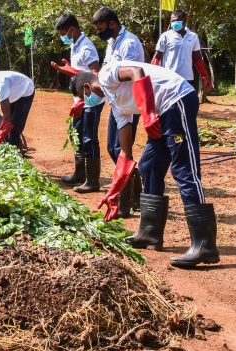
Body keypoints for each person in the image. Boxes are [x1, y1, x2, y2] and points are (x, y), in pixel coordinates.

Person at [69, 62, 220, 267]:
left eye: (84, 96)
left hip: (178, 99)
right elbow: (125, 154)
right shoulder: (118, 107)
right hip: (164, 111)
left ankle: (205, 243)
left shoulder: (105, 75)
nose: (88, 101)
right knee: (148, 164)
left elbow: (136, 72)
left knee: (184, 169)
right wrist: (114, 192)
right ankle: (150, 232)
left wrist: (148, 114)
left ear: (86, 87)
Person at [92, 6, 146, 216]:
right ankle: (133, 188)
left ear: (112, 24)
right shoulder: (112, 42)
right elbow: (105, 67)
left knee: (121, 148)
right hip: (117, 102)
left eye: (100, 28)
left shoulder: (129, 43)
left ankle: (129, 198)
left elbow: (131, 73)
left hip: (130, 102)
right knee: (112, 148)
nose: (99, 32)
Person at [51, 13, 104, 194]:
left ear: (71, 29)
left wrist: (83, 101)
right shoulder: (75, 45)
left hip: (91, 99)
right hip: (80, 98)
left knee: (89, 137)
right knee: (77, 134)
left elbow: (95, 75)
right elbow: (81, 73)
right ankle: (80, 174)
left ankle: (92, 181)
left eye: (63, 33)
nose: (62, 37)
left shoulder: (86, 48)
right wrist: (69, 70)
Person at [151, 9, 212, 93]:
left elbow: (197, 58)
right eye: (172, 21)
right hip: (169, 78)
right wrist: (151, 76)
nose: (174, 23)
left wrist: (205, 77)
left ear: (185, 20)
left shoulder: (193, 36)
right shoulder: (165, 36)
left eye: (177, 21)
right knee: (171, 105)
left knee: (187, 105)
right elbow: (157, 57)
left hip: (187, 79)